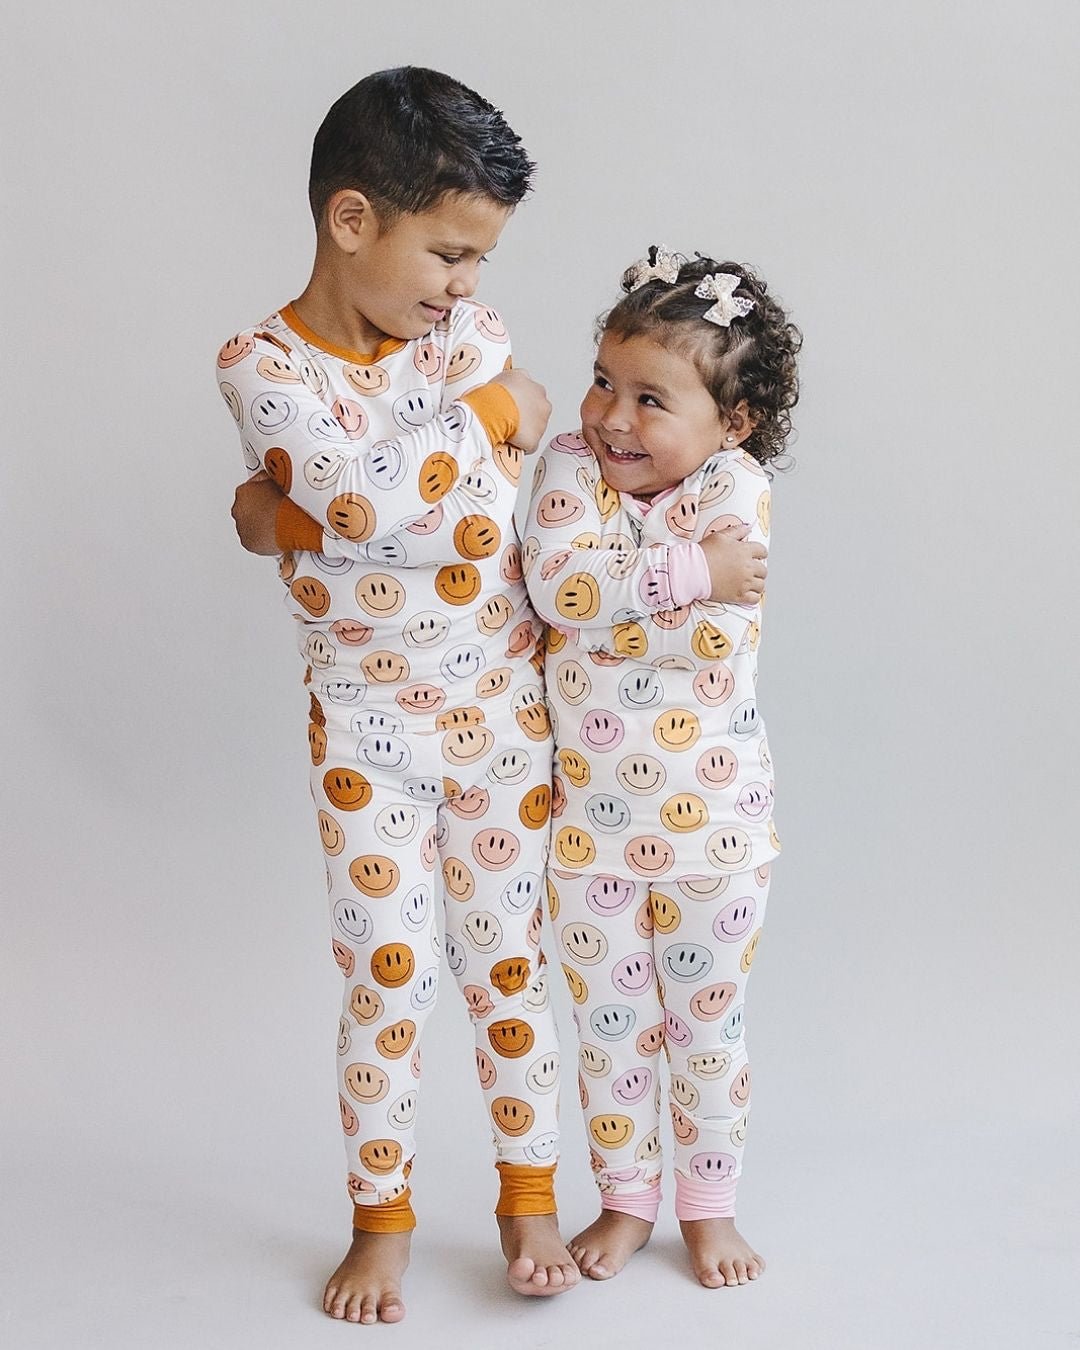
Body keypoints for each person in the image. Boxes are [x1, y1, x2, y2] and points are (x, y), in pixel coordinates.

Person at [215, 67, 580, 1324]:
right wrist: (487, 420)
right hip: (368, 738)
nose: (467, 288)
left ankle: (528, 1197)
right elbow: (382, 508)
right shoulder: (261, 363)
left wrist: (291, 516)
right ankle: (381, 1222)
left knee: (510, 966)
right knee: (385, 978)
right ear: (352, 219)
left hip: (502, 723)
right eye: (450, 253)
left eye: (481, 262)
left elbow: (462, 520)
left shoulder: (461, 335)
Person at [522, 246, 801, 1289]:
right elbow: (554, 588)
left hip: (713, 832)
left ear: (733, 424)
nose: (612, 418)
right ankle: (626, 1200)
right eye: (603, 380)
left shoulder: (739, 485)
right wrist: (684, 574)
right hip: (586, 836)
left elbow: (710, 637)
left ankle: (709, 1209)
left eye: (650, 399)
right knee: (610, 1034)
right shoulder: (566, 464)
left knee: (704, 1030)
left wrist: (617, 596)